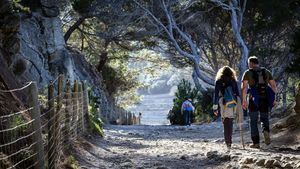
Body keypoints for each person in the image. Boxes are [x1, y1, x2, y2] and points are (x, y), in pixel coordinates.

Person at [241, 56, 277, 149]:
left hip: (253, 99)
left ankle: (256, 143)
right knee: (264, 118)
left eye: (249, 63)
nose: (248, 65)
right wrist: (274, 98)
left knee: (253, 121)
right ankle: (266, 131)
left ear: (251, 63)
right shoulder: (266, 71)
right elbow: (273, 85)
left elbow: (244, 88)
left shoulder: (247, 72)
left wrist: (244, 100)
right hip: (265, 98)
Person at [213, 66, 242, 151]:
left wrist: (215, 108)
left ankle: (228, 142)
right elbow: (237, 93)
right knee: (230, 122)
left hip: (223, 102)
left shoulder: (219, 81)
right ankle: (229, 141)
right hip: (233, 103)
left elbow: (216, 95)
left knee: (225, 122)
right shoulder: (233, 80)